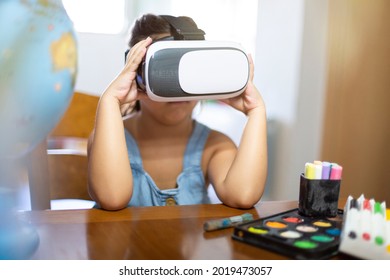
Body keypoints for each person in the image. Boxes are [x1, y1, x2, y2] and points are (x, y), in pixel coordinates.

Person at [87, 14, 268, 210]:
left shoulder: (214, 146)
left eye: (192, 70)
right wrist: (110, 100)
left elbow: (243, 195)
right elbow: (112, 198)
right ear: (138, 74)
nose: (180, 88)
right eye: (166, 70)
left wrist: (256, 111)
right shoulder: (108, 140)